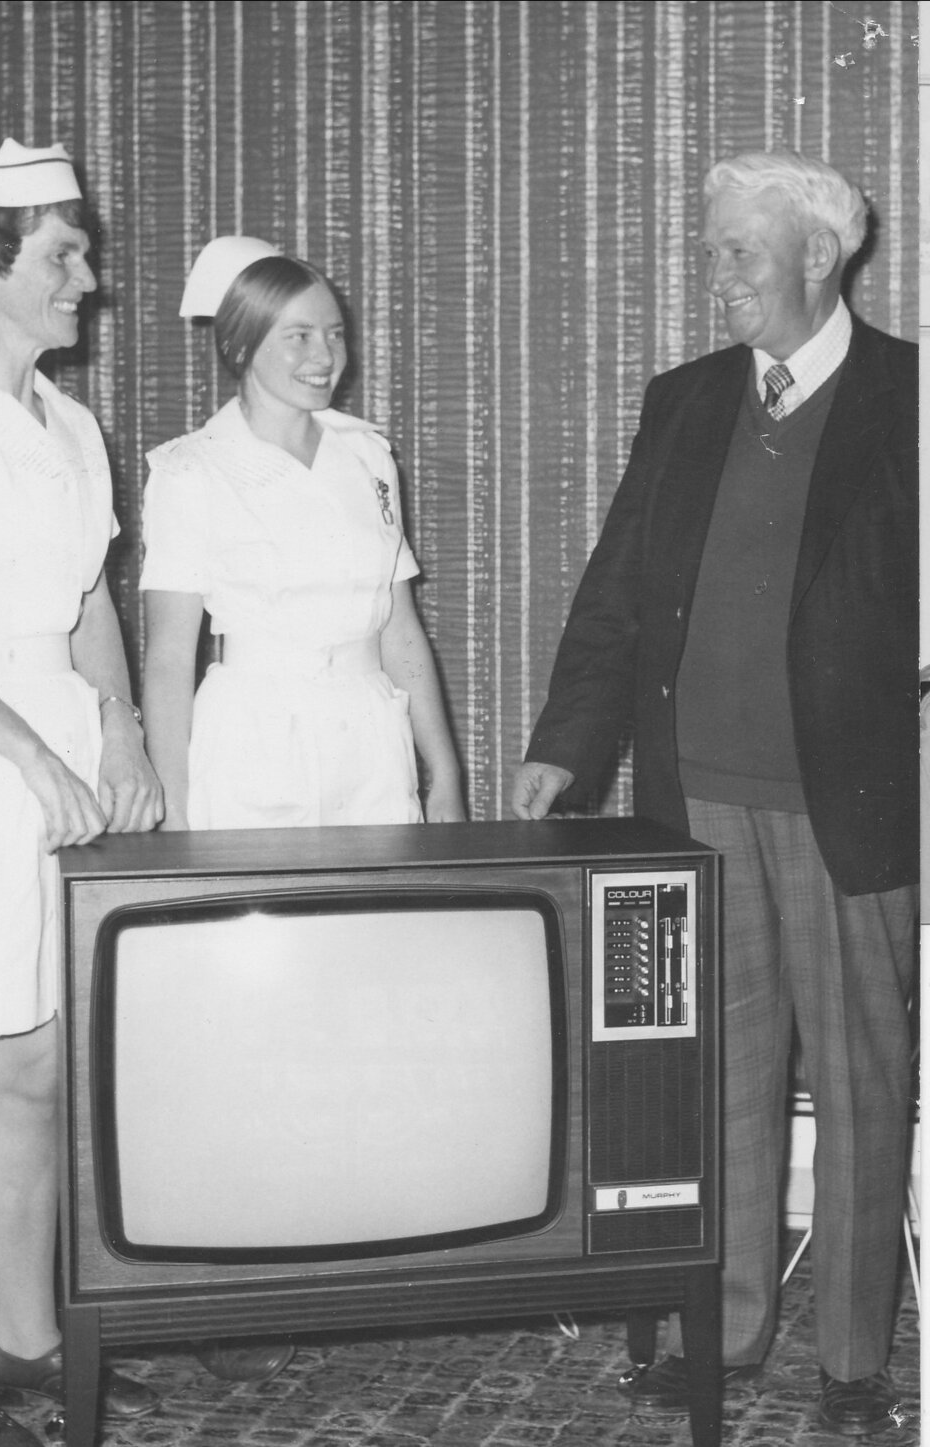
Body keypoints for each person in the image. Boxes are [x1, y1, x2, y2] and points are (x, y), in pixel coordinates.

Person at [511, 150, 916, 1438]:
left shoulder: (909, 399)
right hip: (699, 803)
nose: (717, 268)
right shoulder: (684, 401)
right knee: (715, 1076)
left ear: (816, 254)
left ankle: (852, 1361)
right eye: (712, 244)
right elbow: (619, 591)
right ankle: (726, 1326)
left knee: (859, 1080)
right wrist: (564, 747)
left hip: (845, 802)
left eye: (739, 246)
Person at [140, 236, 466, 1377]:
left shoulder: (368, 455)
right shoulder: (189, 470)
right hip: (249, 744)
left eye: (334, 333)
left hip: (365, 738)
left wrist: (443, 774)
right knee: (245, 1015)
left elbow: (401, 627)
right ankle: (228, 1290)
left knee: (356, 1005)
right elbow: (166, 660)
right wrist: (177, 822)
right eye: (299, 335)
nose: (325, 354)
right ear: (241, 344)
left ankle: (342, 1262)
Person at [0, 140, 165, 1447]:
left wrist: (120, 733)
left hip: (60, 766)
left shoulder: (76, 427)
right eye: (65, 253)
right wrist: (26, 752)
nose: (90, 278)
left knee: (36, 1072)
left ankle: (30, 1337)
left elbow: (86, 604)